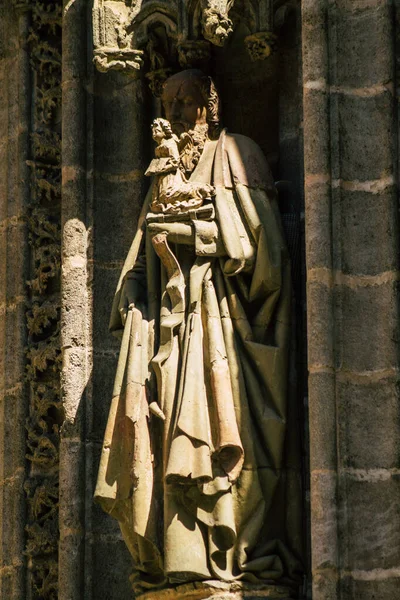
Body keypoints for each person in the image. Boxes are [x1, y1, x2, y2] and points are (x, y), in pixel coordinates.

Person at [95, 69, 303, 595]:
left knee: (221, 446)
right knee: (168, 443)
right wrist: (136, 289)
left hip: (224, 334)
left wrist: (196, 238)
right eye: (168, 104)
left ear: (211, 105)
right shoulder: (161, 176)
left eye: (188, 102)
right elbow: (138, 261)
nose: (179, 114)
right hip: (171, 335)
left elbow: (268, 256)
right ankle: (178, 557)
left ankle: (233, 562)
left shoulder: (239, 155)